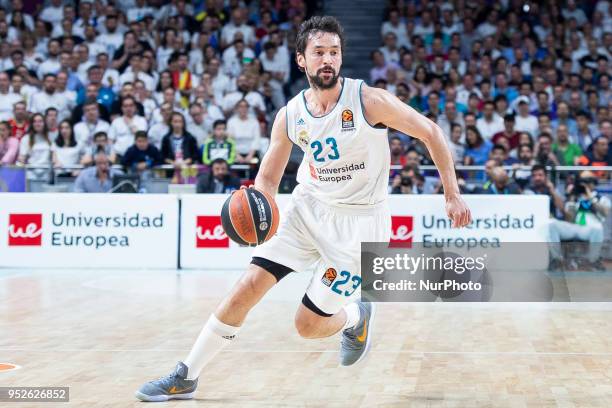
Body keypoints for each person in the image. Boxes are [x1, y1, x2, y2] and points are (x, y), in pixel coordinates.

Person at [136, 16, 471, 402]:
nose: (327, 59)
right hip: (306, 209)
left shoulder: (369, 101)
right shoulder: (290, 115)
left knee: (307, 325)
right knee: (246, 287)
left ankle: (356, 316)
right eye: (319, 53)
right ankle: (187, 375)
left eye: (334, 52)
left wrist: (452, 193)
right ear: (302, 60)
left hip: (359, 227)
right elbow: (266, 180)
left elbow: (431, 132)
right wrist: (255, 211)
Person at [17, 113, 52, 181]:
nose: (37, 124)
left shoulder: (50, 137)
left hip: (47, 175)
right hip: (31, 175)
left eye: (40, 121)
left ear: (44, 123)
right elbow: (22, 158)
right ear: (32, 124)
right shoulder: (26, 138)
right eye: (35, 121)